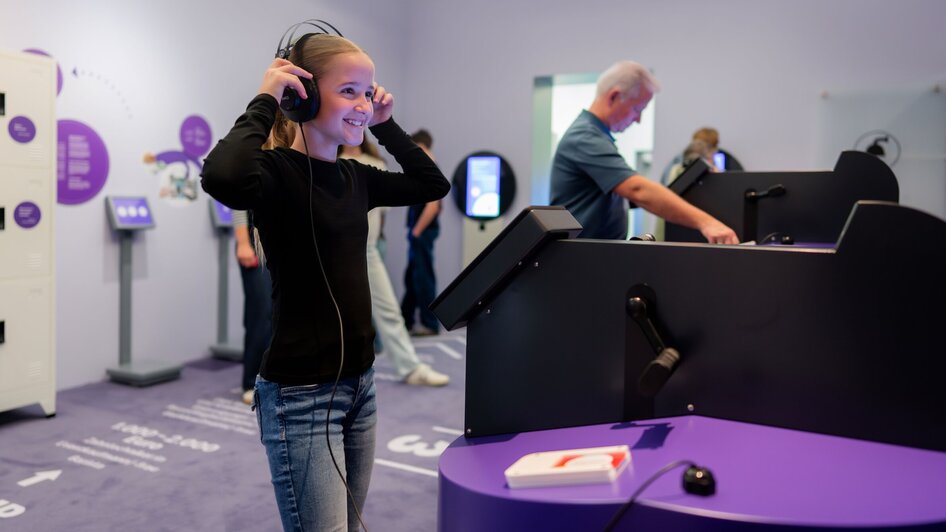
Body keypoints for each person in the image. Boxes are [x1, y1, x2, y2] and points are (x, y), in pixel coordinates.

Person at [200, 33, 450, 531]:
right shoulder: (274, 173)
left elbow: (432, 184)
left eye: (368, 92)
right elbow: (222, 177)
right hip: (301, 396)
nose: (363, 104)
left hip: (361, 386)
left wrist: (386, 124)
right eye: (349, 91)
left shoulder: (358, 177)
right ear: (305, 96)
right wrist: (268, 96)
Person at [550, 61, 739, 244]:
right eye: (637, 108)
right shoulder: (584, 137)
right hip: (581, 256)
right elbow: (637, 189)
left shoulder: (597, 136)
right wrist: (707, 223)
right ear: (614, 96)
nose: (638, 119)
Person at [340, 139, 449, 386]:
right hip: (336, 251)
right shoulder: (332, 163)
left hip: (368, 249)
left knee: (388, 309)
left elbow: (384, 210)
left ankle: (409, 367)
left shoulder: (375, 164)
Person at [400, 129, 443, 336]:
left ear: (422, 148)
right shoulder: (428, 170)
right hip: (419, 233)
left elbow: (433, 207)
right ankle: (405, 321)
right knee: (413, 277)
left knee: (423, 277)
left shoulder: (429, 170)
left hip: (422, 233)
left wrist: (416, 232)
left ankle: (429, 323)